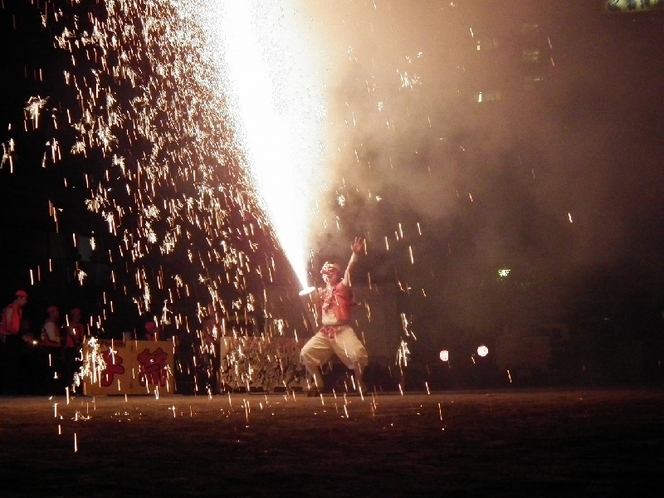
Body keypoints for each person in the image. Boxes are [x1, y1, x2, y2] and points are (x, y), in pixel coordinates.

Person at [300, 237, 369, 395]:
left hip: (342, 330)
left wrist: (355, 254)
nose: (328, 275)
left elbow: (349, 271)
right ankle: (318, 384)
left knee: (357, 356)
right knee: (306, 353)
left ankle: (360, 384)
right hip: (325, 332)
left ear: (337, 274)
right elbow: (312, 306)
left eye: (332, 272)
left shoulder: (342, 287)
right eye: (325, 273)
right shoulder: (321, 292)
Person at [0, 290, 29, 394]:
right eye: (24, 299)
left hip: (15, 337)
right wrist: (19, 336)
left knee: (16, 362)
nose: (25, 301)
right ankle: (7, 389)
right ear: (19, 298)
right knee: (10, 363)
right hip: (9, 337)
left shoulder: (19, 310)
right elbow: (8, 326)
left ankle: (14, 388)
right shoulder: (10, 309)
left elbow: (18, 326)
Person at [40, 305, 63, 394]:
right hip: (50, 348)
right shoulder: (50, 323)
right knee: (52, 368)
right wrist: (61, 339)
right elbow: (52, 337)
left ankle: (53, 389)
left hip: (52, 348)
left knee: (53, 368)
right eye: (56, 312)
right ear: (51, 313)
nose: (58, 313)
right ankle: (51, 389)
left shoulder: (52, 323)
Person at [62, 308, 85, 391]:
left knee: (78, 368)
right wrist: (78, 344)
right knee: (71, 369)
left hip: (79, 349)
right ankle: (70, 387)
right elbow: (74, 336)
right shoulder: (70, 325)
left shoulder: (81, 326)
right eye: (76, 315)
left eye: (79, 315)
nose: (78, 317)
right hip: (71, 349)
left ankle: (78, 387)